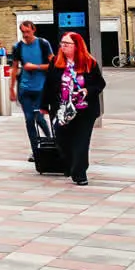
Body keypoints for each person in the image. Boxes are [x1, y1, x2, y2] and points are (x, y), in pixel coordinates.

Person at [44, 32, 105, 186]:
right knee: (62, 140)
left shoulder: (89, 62)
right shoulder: (56, 62)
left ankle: (80, 173)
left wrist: (87, 91)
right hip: (62, 110)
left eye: (67, 44)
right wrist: (43, 105)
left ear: (76, 46)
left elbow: (100, 84)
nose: (63, 46)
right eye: (62, 43)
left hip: (83, 110)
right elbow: (49, 85)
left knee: (81, 142)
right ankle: (71, 165)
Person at [9, 21, 53, 163]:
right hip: (25, 89)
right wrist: (11, 88)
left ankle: (50, 142)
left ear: (33, 30)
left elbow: (53, 65)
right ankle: (36, 151)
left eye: (28, 32)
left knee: (39, 118)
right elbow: (14, 68)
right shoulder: (18, 47)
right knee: (29, 120)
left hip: (41, 88)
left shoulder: (43, 44)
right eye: (23, 32)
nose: (25, 35)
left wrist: (35, 67)